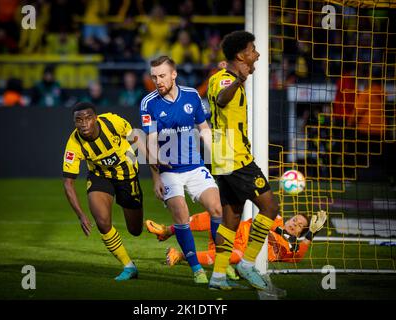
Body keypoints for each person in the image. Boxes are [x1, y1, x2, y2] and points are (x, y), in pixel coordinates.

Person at [140, 56, 222, 284]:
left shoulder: (192, 95)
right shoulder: (149, 103)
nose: (157, 81)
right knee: (181, 215)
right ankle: (196, 268)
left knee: (217, 208)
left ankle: (223, 262)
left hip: (195, 166)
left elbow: (203, 127)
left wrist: (216, 156)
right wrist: (156, 178)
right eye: (154, 76)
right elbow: (151, 142)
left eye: (162, 76)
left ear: (173, 74)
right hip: (169, 171)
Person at [207, 30, 279, 290]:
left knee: (232, 219)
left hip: (223, 157)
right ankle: (248, 263)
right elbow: (222, 98)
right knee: (270, 207)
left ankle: (217, 277)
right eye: (252, 50)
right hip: (235, 158)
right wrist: (239, 78)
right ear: (240, 55)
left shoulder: (227, 77)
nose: (257, 54)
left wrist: (242, 77)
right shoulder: (224, 79)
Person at [62, 102, 143, 281]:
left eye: (88, 118)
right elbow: (68, 182)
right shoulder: (74, 143)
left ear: (96, 118)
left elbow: (135, 137)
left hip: (127, 176)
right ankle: (129, 266)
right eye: (78, 120)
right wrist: (80, 215)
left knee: (135, 230)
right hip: (100, 176)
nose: (83, 124)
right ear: (74, 122)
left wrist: (135, 159)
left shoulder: (112, 122)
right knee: (102, 221)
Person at [145, 210, 327, 267]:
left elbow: (299, 257)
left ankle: (181, 256)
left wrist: (311, 234)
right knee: (217, 214)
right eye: (294, 219)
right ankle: (168, 230)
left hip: (238, 251)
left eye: (299, 226)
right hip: (235, 232)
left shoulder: (288, 248)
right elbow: (269, 221)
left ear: (300, 233)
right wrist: (281, 230)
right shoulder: (277, 220)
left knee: (236, 256)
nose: (294, 224)